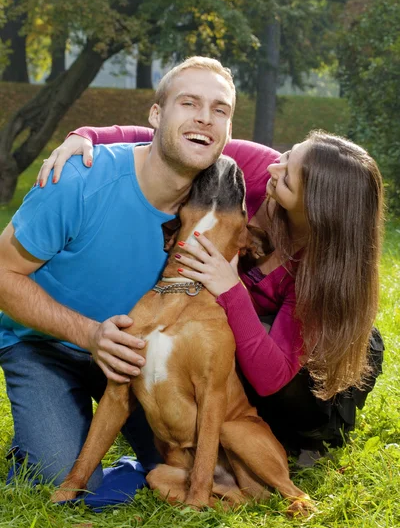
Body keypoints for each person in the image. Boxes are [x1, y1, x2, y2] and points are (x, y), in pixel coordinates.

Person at [40, 124, 384, 462]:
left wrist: (230, 286)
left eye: (288, 176)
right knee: (211, 334)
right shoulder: (259, 169)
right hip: (250, 336)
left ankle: (302, 441)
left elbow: (271, 377)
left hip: (315, 383)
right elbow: (176, 141)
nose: (273, 167)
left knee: (248, 343)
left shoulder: (320, 274)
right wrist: (88, 136)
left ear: (316, 209)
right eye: (288, 154)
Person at [0, 57, 240, 502]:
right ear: (155, 114)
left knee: (191, 464)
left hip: (139, 355)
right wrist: (90, 334)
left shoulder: (220, 189)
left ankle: (124, 459)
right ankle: (38, 445)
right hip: (46, 344)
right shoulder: (79, 180)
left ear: (227, 131)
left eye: (219, 110)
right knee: (58, 473)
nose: (205, 117)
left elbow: (301, 174)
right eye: (188, 103)